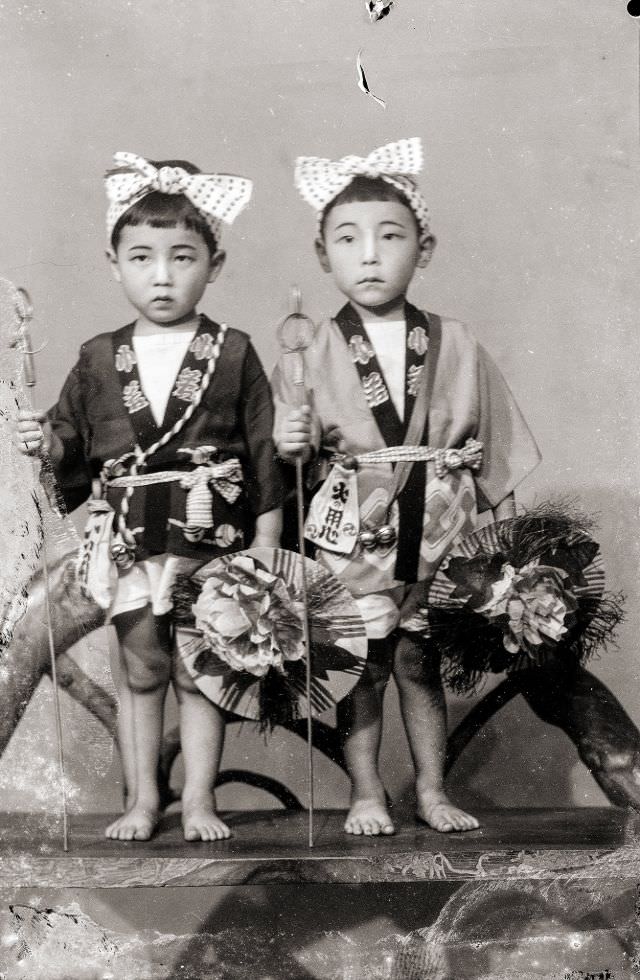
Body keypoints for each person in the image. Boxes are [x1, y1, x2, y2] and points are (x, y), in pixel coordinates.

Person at [272, 137, 541, 836]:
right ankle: (366, 791)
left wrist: (504, 542)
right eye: (348, 239)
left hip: (442, 519)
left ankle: (430, 787)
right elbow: (283, 463)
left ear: (424, 248)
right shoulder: (311, 348)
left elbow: (496, 445)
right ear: (321, 252)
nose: (369, 255)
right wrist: (291, 445)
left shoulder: (455, 339)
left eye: (389, 237)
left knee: (421, 661)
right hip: (352, 524)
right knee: (361, 666)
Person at [14, 152, 283, 842]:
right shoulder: (99, 357)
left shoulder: (234, 352)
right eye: (141, 258)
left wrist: (266, 543)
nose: (162, 276)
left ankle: (198, 801)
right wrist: (43, 442)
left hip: (209, 542)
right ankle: (143, 801)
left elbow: (264, 451)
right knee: (141, 669)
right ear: (115, 264)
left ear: (214, 264)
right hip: (131, 539)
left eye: (182, 257)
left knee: (199, 672)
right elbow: (68, 442)